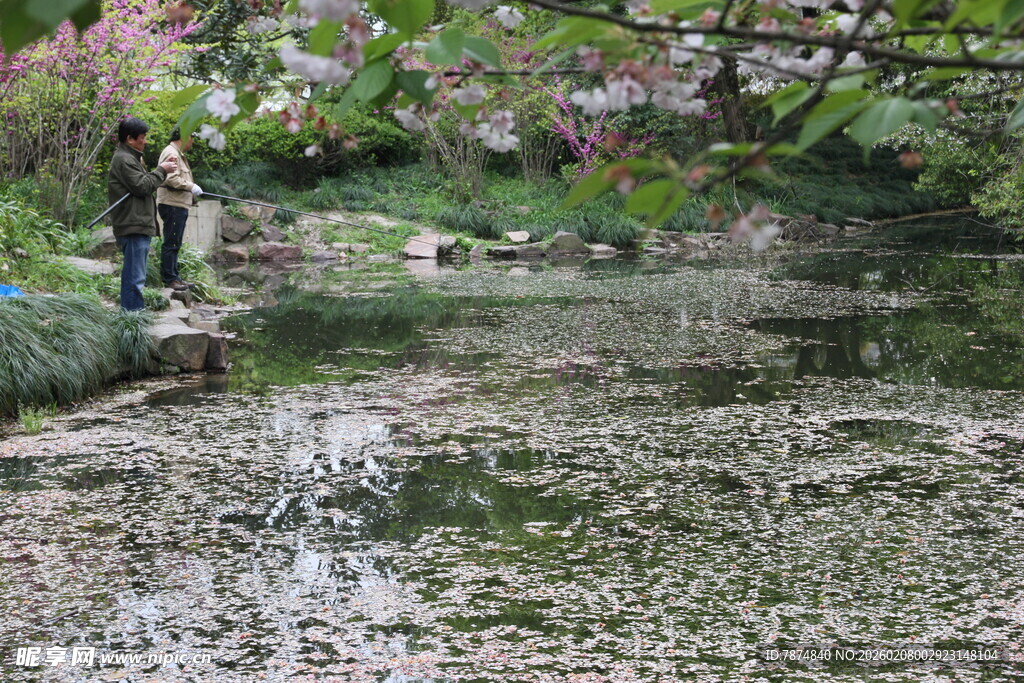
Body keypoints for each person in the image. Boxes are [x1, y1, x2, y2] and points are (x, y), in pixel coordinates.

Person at [107, 117, 177, 311]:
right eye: (143, 137)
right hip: (132, 224)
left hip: (136, 223)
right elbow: (142, 186)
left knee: (136, 275)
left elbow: (143, 182)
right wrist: (162, 170)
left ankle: (134, 314)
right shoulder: (124, 159)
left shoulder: (131, 158)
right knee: (135, 277)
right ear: (130, 139)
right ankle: (133, 316)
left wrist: (159, 171)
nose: (145, 141)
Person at [156, 128, 203, 291]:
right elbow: (171, 179)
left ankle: (175, 277)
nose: (192, 141)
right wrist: (191, 186)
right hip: (172, 204)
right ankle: (170, 279)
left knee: (175, 242)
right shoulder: (172, 153)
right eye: (191, 137)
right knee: (171, 242)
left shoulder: (177, 153)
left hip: (178, 204)